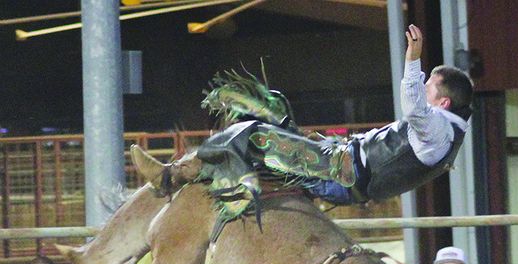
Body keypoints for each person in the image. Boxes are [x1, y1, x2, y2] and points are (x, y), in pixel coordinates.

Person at [132, 24, 473, 209]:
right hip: (340, 162)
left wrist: (413, 60)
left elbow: (413, 107)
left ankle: (171, 176)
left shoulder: (437, 128)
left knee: (253, 133)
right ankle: (206, 172)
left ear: (442, 103)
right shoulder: (445, 133)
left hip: (341, 172)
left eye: (429, 87)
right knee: (275, 107)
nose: (423, 88)